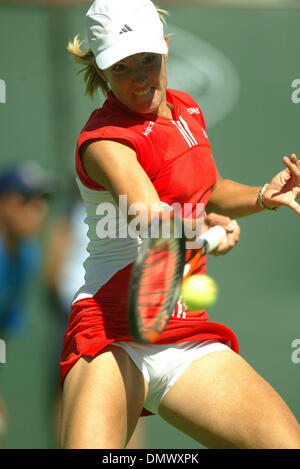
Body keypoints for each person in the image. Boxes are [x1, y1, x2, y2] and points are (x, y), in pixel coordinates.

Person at [59, 0, 300, 449]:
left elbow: (208, 187)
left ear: (166, 49)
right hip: (111, 334)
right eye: (122, 67)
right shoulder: (105, 141)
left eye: (148, 60)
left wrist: (264, 197)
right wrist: (206, 231)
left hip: (184, 330)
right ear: (102, 70)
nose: (139, 78)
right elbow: (151, 218)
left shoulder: (186, 109)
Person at [0, 160, 51, 445]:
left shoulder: (27, 256)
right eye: (27, 201)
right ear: (4, 204)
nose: (38, 211)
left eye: (42, 202)